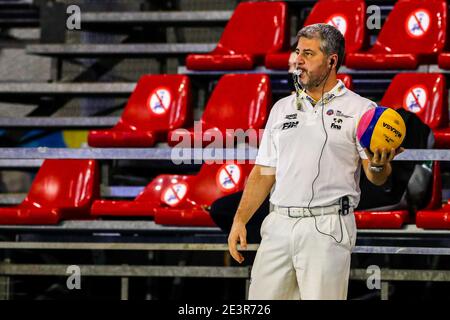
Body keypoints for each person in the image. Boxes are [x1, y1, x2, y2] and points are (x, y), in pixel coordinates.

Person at [227, 23, 403, 300]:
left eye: (308, 54)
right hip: (278, 224)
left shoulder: (363, 111)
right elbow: (263, 172)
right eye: (298, 52)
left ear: (332, 60)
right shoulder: (281, 108)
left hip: (328, 225)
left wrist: (380, 164)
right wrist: (240, 220)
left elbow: (375, 176)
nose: (298, 60)